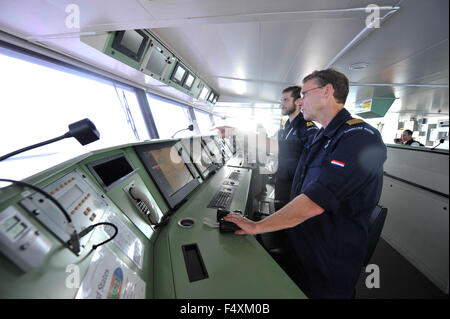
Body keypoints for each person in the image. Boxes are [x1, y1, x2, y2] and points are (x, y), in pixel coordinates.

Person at [224, 68, 387, 298]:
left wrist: (257, 226)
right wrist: (236, 131)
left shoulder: (359, 137)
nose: (300, 101)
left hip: (328, 259)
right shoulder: (322, 137)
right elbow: (279, 147)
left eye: (304, 94)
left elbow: (316, 200)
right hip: (303, 245)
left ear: (327, 91)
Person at [275, 86, 318, 210]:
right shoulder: (287, 126)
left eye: (286, 100)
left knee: (287, 224)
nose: (281, 104)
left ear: (298, 101)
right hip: (282, 181)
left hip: (295, 186)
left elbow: (312, 160)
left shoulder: (307, 127)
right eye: (281, 100)